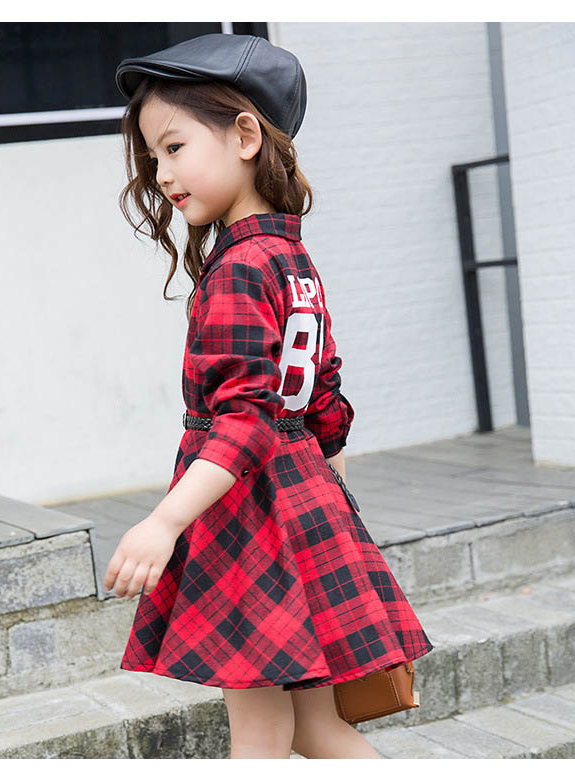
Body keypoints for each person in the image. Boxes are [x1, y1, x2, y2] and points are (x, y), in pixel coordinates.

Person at [103, 32, 434, 760]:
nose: (162, 173)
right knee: (317, 727)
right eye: (153, 157)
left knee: (258, 737)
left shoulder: (239, 268)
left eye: (174, 146)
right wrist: (332, 512)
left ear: (246, 136)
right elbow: (324, 400)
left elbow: (245, 418)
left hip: (248, 522)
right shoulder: (291, 257)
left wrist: (164, 522)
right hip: (300, 504)